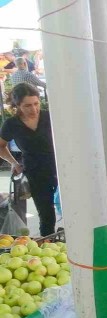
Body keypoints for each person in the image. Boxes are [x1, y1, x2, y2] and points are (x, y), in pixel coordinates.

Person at [0, 83, 58, 236]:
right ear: (17, 105)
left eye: (36, 104)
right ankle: (48, 244)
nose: (33, 109)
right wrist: (13, 162)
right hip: (35, 172)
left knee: (74, 207)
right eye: (27, 106)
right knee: (46, 215)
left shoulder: (49, 117)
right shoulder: (12, 124)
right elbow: (1, 146)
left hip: (60, 168)